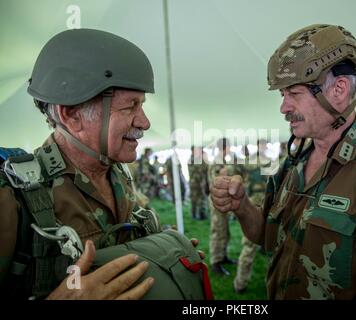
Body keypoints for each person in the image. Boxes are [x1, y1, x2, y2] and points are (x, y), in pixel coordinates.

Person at [211, 24, 356, 299]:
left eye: (294, 94)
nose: (283, 107)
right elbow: (267, 237)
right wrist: (243, 206)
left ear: (339, 90)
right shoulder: (296, 160)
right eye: (282, 95)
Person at [0, 29, 203, 300]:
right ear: (72, 115)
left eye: (142, 105)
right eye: (130, 107)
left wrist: (162, 252)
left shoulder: (118, 174)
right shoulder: (14, 198)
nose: (145, 122)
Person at [233, 140, 270, 294]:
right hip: (253, 207)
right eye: (261, 144)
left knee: (275, 247)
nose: (263, 146)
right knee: (249, 247)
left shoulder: (272, 162)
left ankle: (273, 283)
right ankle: (240, 283)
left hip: (270, 207)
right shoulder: (248, 163)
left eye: (265, 144)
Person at [208, 138, 243, 276]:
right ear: (225, 147)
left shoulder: (222, 161)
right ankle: (215, 262)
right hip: (217, 202)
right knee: (218, 232)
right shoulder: (217, 162)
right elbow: (219, 180)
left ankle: (223, 256)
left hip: (222, 201)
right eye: (229, 146)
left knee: (225, 231)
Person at [188, 146, 209, 220]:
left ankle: (200, 214)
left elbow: (206, 168)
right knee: (195, 199)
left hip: (199, 182)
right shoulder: (192, 160)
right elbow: (201, 169)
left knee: (200, 199)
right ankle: (196, 214)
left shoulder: (198, 159)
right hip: (196, 183)